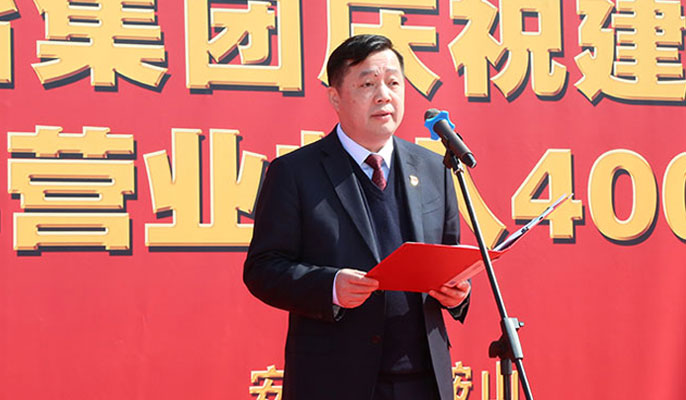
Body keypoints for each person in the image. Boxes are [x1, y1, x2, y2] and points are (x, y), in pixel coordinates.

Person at [243, 34, 471, 400]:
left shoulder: (435, 169)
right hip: (335, 381)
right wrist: (330, 287)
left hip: (424, 381)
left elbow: (448, 256)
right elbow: (263, 269)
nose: (384, 95)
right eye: (368, 84)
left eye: (394, 83)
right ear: (335, 98)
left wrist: (457, 293)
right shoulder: (295, 172)